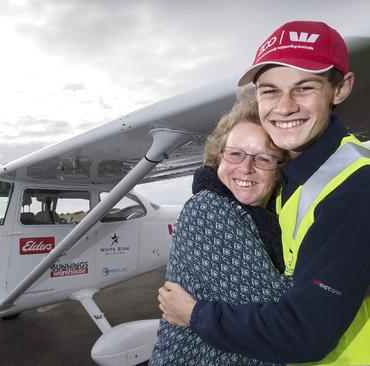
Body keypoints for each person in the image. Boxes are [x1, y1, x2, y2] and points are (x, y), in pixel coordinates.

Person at [158, 21, 370, 365]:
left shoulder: (353, 187)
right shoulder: (288, 183)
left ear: (340, 89)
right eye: (270, 90)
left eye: (304, 88)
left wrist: (194, 313)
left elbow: (302, 330)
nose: (284, 107)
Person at [149, 97, 292, 365]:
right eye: (235, 153)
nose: (246, 168)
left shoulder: (273, 214)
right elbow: (280, 311)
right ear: (219, 156)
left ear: (279, 166)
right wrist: (343, 279)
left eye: (263, 158)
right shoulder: (209, 208)